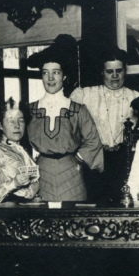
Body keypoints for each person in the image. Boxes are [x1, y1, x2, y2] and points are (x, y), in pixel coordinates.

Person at [26, 34, 104, 201]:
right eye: (46, 73)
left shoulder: (78, 109)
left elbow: (93, 140)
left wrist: (78, 159)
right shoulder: (30, 109)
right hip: (41, 173)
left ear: (64, 76)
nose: (51, 78)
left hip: (71, 174)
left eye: (56, 72)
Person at [70, 47, 139, 203]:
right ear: (102, 72)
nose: (114, 76)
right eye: (109, 72)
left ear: (125, 71)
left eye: (119, 71)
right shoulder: (86, 95)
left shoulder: (135, 96)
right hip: (94, 159)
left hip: (124, 160)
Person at [0, 96, 40, 206]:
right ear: (0, 125)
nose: (17, 126)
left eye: (21, 121)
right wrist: (14, 183)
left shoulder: (21, 150)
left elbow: (34, 182)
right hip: (4, 216)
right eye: (11, 121)